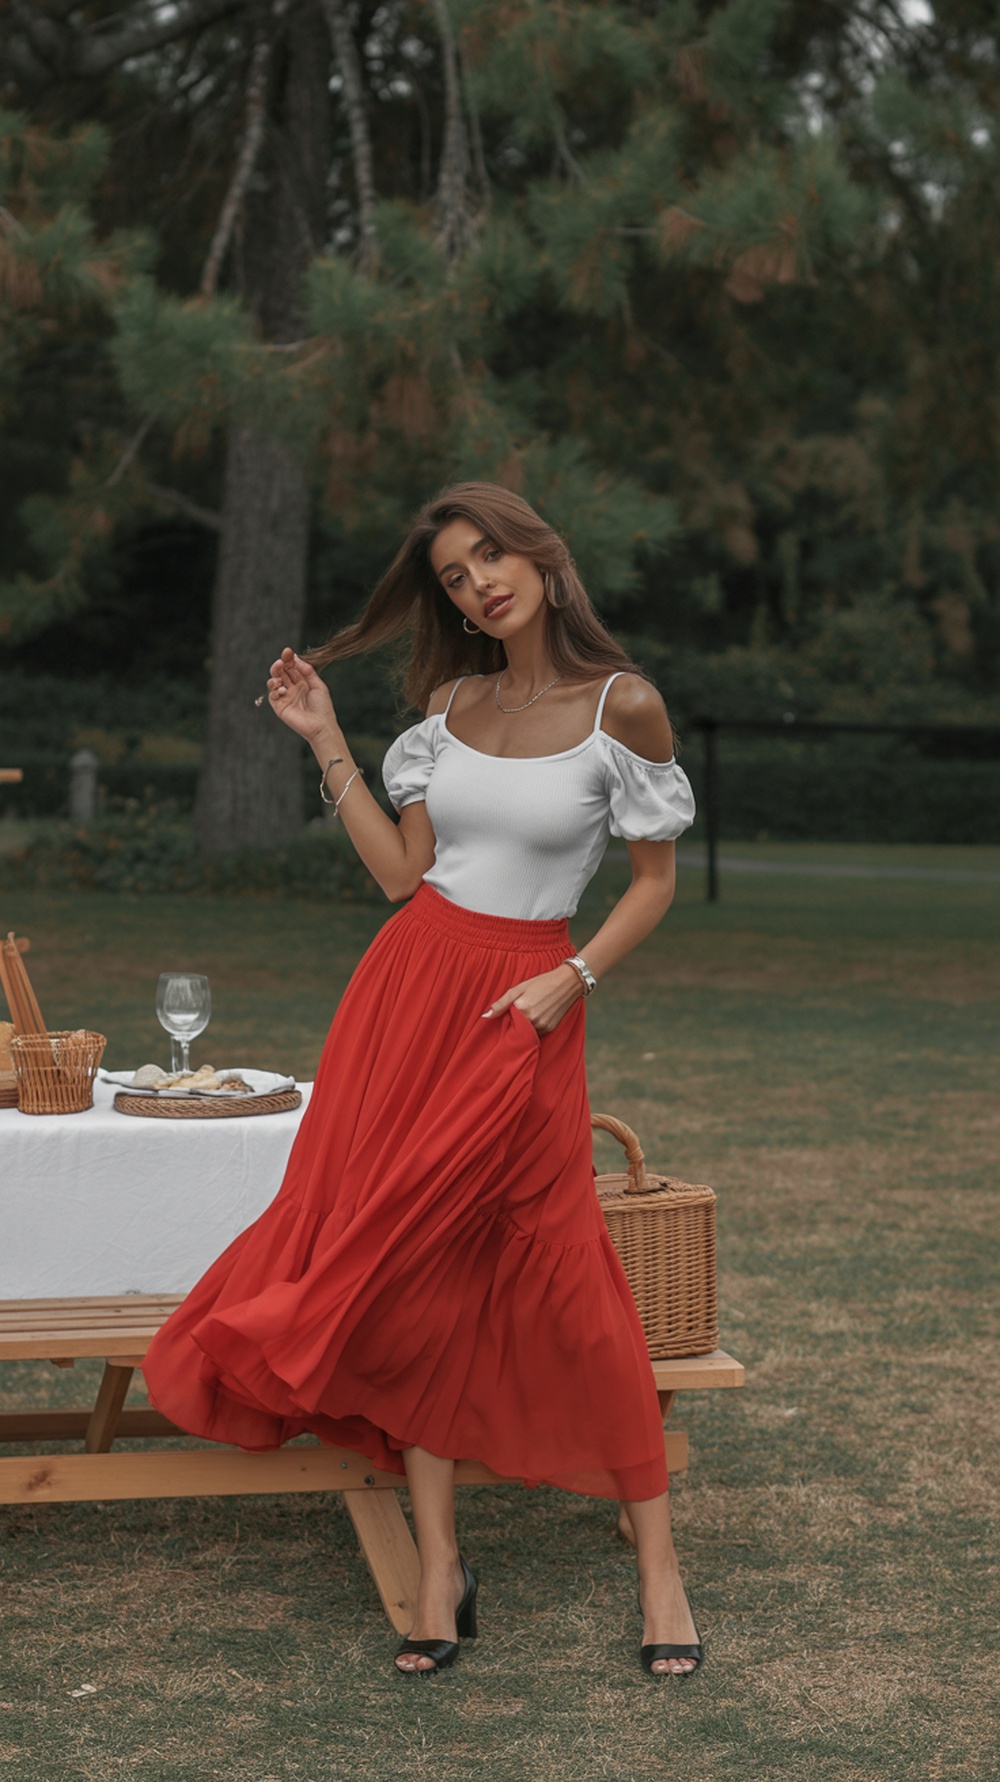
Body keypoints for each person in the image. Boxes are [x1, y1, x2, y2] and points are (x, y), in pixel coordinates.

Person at [143, 481, 702, 1680]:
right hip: (404, 998)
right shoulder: (447, 709)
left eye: (492, 555)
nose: (478, 583)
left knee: (568, 1273)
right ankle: (438, 1566)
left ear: (541, 557)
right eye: (453, 575)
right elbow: (404, 877)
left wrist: (572, 980)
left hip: (525, 1006)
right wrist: (323, 739)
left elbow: (653, 882)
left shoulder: (622, 704)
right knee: (408, 1270)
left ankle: (661, 1572)